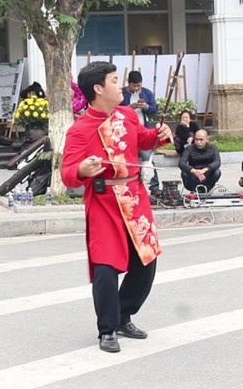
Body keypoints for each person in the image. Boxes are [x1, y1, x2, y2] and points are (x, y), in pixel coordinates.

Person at [61, 61, 172, 353]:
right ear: (98, 89)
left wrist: (158, 135)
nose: (119, 86)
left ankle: (124, 314)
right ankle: (107, 329)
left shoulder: (128, 115)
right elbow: (68, 171)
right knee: (106, 267)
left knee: (146, 261)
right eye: (113, 80)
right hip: (104, 202)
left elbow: (142, 139)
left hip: (135, 197)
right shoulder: (80, 129)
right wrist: (84, 168)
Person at [119, 70, 160, 195]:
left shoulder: (146, 93)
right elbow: (116, 110)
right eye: (134, 85)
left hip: (143, 130)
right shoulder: (121, 94)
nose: (136, 88)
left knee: (147, 157)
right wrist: (129, 108)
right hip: (126, 131)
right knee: (127, 159)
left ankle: (154, 186)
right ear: (128, 83)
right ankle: (128, 185)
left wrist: (146, 107)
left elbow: (154, 110)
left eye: (138, 85)